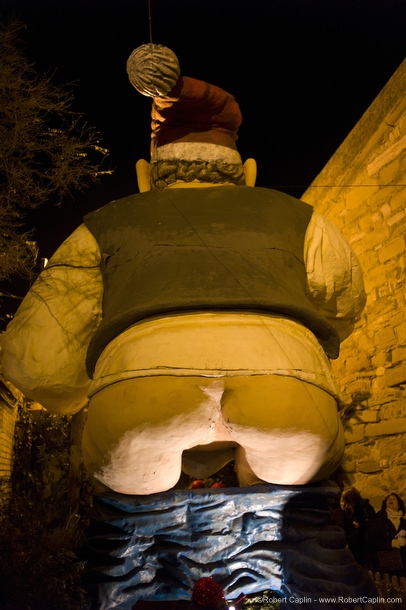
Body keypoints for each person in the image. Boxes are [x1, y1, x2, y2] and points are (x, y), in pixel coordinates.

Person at [0, 44, 366, 495]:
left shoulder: (105, 224)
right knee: (286, 476)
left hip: (142, 395)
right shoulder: (302, 217)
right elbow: (343, 304)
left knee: (131, 482)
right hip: (288, 391)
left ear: (144, 177)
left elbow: (34, 359)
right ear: (248, 174)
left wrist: (74, 392)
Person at [332, 487, 375, 565]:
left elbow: (373, 526)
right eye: (342, 500)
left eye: (344, 500)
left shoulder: (365, 509)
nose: (342, 503)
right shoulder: (341, 513)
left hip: (364, 547)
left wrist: (360, 525)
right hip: (349, 548)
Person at [367, 492, 406, 576]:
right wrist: (391, 543)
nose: (390, 500)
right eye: (388, 499)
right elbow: (372, 540)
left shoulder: (404, 523)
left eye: (393, 499)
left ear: (399, 505)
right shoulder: (378, 519)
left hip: (402, 566)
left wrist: (404, 542)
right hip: (385, 564)